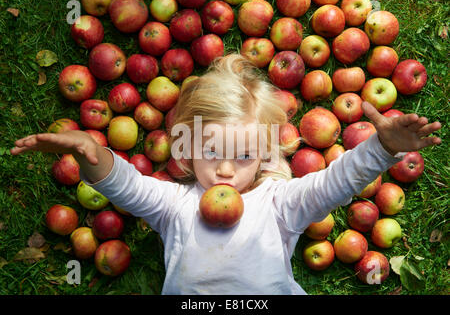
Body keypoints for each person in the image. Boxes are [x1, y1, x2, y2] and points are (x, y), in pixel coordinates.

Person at [10, 53, 442, 294]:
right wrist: (92, 154)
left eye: (243, 156)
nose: (223, 169)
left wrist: (383, 148)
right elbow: (128, 187)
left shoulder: (278, 204)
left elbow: (332, 183)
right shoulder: (174, 203)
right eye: (210, 151)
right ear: (185, 146)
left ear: (264, 157)